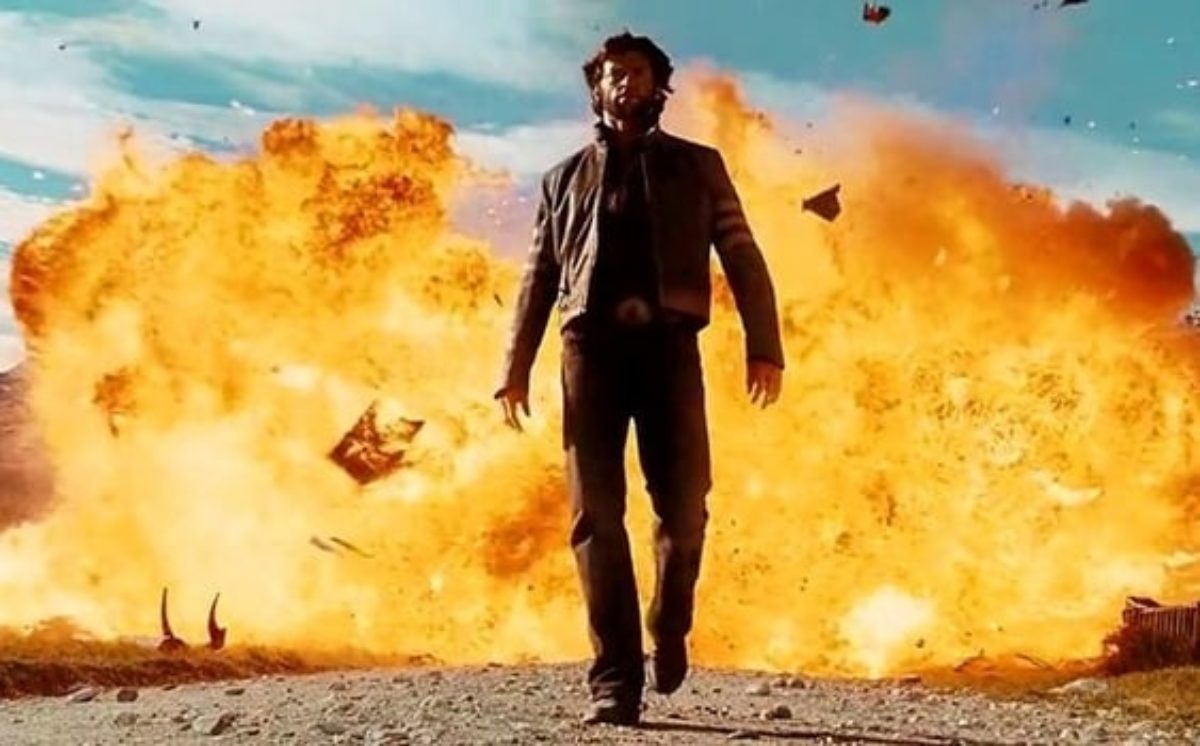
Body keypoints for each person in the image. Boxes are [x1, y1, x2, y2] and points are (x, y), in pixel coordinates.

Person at [494, 31, 785, 726]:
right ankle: (615, 681)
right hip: (588, 351)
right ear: (596, 87)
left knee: (684, 507)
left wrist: (764, 345)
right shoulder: (561, 179)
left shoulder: (699, 167)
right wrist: (514, 369)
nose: (628, 82)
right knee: (595, 516)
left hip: (668, 348)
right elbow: (538, 276)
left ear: (660, 87)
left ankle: (669, 619)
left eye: (641, 73)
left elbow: (743, 255)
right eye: (615, 73)